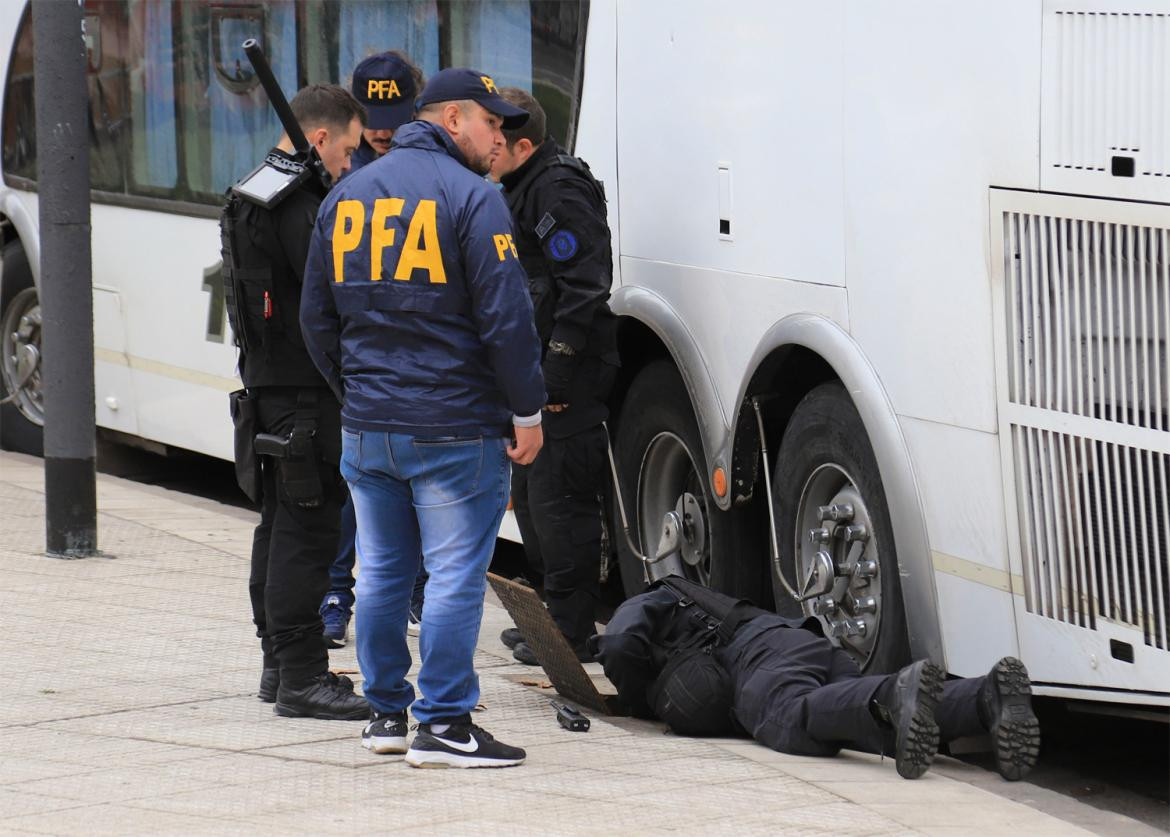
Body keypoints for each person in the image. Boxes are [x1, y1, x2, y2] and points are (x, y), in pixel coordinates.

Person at [300, 68, 545, 768]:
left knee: (378, 571)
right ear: (455, 118)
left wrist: (359, 391)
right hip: (454, 427)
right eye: (493, 124)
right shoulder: (473, 199)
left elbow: (316, 318)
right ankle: (444, 723)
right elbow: (507, 320)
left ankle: (385, 713)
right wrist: (526, 409)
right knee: (454, 574)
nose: (500, 139)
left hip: (369, 425)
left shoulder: (344, 196)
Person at [222, 84, 370, 720]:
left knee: (279, 527)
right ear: (319, 139)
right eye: (347, 150)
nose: (349, 165)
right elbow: (330, 295)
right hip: (307, 395)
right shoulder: (300, 203)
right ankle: (303, 676)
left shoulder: (251, 190)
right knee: (306, 535)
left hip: (267, 389)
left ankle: (277, 663)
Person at [591, 576, 1041, 781]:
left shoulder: (651, 598)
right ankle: (987, 697)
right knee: (869, 725)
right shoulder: (684, 607)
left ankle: (892, 692)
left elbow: (618, 643)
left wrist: (636, 701)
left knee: (789, 718)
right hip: (800, 643)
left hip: (756, 654)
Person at [488, 87, 620, 666]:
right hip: (537, 377)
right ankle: (548, 620)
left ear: (522, 143)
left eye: (495, 137)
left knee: (562, 508)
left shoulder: (557, 189)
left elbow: (586, 285)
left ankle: (570, 630)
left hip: (568, 378)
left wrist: (557, 373)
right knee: (535, 504)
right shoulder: (521, 185)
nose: (484, 146)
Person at [320, 50, 427, 648]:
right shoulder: (336, 167)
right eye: (373, 115)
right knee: (349, 486)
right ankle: (336, 594)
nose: (383, 128)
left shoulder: (431, 162)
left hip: (414, 352)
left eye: (397, 112)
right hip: (359, 357)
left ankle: (412, 587)